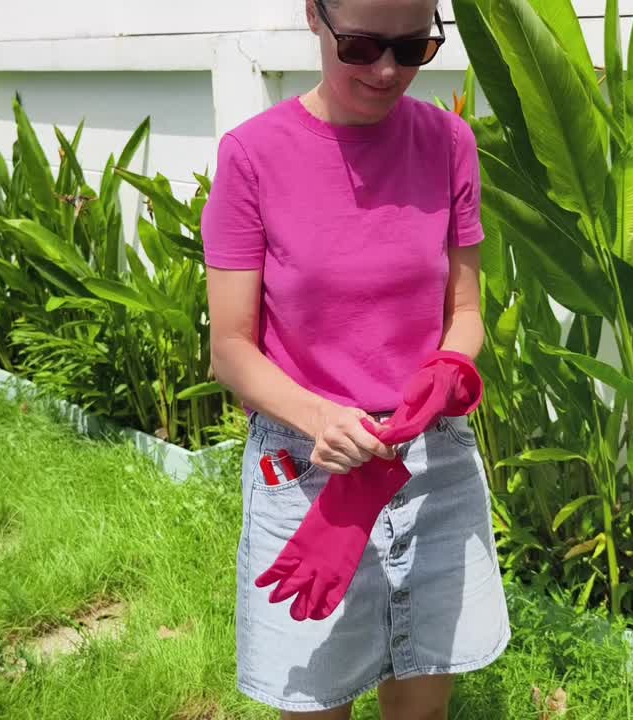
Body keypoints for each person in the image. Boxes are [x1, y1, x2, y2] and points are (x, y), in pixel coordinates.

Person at [201, 0, 510, 717]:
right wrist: (322, 419)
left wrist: (446, 371)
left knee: (423, 704)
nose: (387, 70)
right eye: (364, 45)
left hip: (430, 459)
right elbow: (230, 349)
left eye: (412, 49)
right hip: (309, 470)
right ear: (315, 16)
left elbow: (465, 317)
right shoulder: (253, 155)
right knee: (317, 703)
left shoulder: (448, 143)